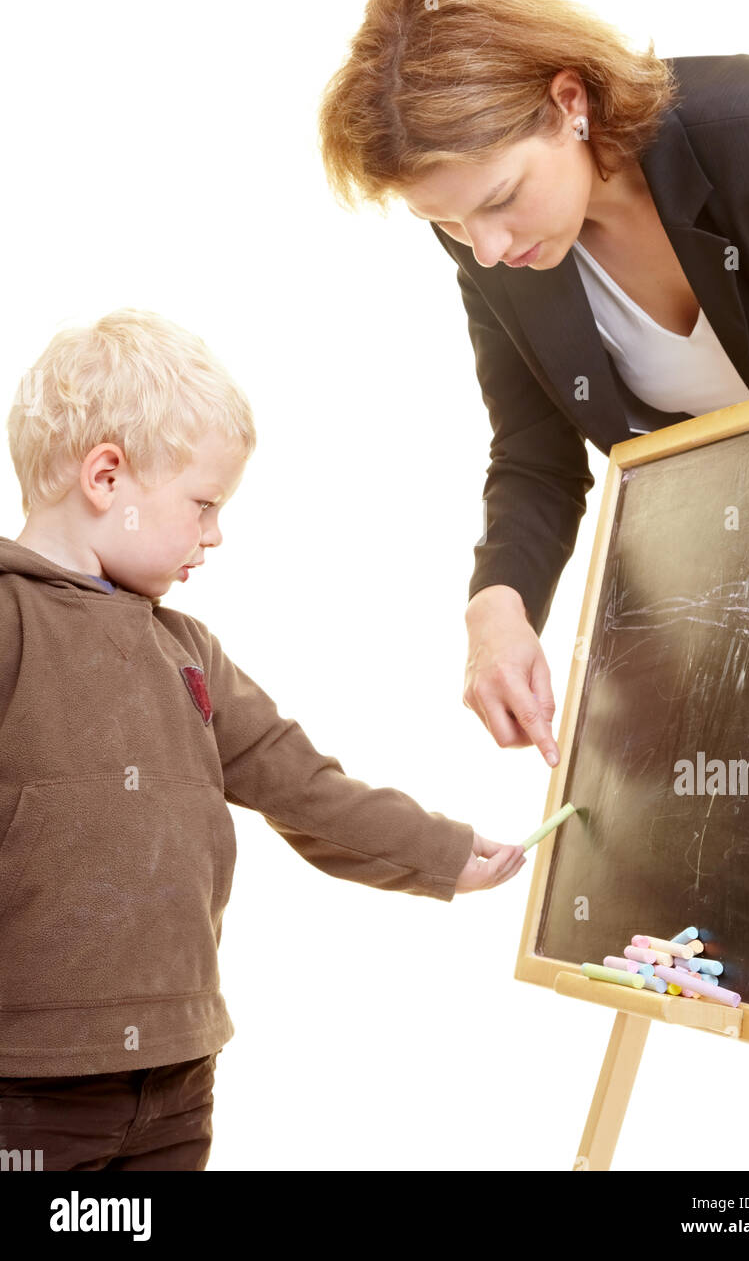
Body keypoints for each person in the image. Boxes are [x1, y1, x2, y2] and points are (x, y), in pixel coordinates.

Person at [316, 0, 749, 1168]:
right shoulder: (483, 250)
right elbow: (530, 454)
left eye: (501, 198)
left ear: (569, 100)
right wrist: (496, 606)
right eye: (449, 224)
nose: (486, 243)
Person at [0, 308, 525, 1171]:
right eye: (203, 506)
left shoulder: (189, 651)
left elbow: (301, 783)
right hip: (29, 1097)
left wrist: (441, 851)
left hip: (178, 1085)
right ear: (106, 477)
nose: (215, 535)